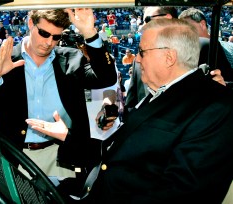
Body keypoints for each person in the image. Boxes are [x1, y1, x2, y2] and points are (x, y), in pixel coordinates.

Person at [26, 18, 233, 204]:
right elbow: (120, 150)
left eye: (142, 52)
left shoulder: (215, 107)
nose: (138, 60)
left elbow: (182, 192)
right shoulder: (158, 94)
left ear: (169, 57)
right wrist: (68, 137)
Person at [0, 9, 116, 179]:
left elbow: (107, 78)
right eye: (44, 33)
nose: (49, 42)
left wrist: (89, 33)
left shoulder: (72, 59)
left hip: (62, 156)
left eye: (56, 37)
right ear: (31, 23)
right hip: (15, 157)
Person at [125, 6, 227, 109]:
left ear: (167, 18)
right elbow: (131, 106)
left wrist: (222, 89)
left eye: (147, 20)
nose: (143, 26)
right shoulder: (139, 61)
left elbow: (227, 88)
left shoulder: (204, 47)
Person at [178, 7, 233, 79]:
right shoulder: (184, 51)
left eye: (187, 27)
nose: (184, 33)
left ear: (202, 24)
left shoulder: (229, 47)